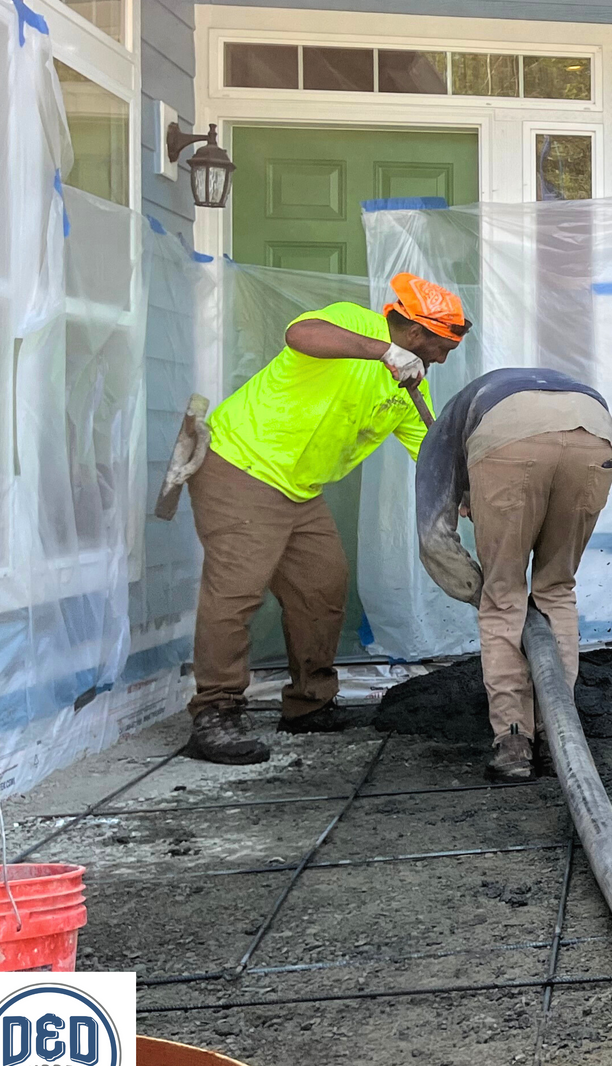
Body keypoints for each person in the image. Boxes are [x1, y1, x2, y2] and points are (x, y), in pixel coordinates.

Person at [186, 273, 468, 765]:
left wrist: (467, 494)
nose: (443, 358)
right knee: (235, 591)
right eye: (442, 346)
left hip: (300, 489)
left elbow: (431, 452)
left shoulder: (406, 386)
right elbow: (300, 335)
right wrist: (382, 352)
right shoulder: (350, 323)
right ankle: (215, 711)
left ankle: (308, 706)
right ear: (417, 333)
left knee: (322, 587)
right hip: (241, 465)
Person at [415, 368, 612, 782]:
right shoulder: (492, 394)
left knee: (504, 597)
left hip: (507, 440)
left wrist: (482, 590)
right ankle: (558, 732)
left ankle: (513, 741)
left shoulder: (443, 436)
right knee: (557, 588)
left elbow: (434, 539)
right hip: (595, 430)